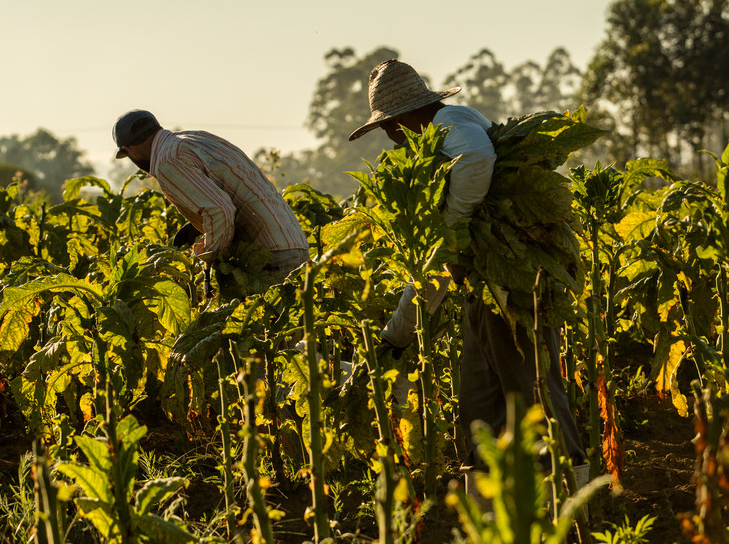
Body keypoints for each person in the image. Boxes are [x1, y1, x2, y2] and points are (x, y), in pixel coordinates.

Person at [348, 59, 586, 468]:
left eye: (388, 126)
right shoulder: (446, 137)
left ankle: (567, 506)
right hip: (483, 284)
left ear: (403, 117)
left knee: (531, 394)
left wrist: (452, 220)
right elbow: (437, 265)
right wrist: (398, 335)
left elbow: (476, 161)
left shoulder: (451, 126)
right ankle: (489, 512)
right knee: (482, 403)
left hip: (508, 283)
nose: (390, 138)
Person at [112, 109, 309, 282]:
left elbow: (219, 210)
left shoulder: (167, 160)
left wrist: (210, 262)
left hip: (267, 256)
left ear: (128, 150)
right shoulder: (196, 138)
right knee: (302, 324)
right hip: (294, 244)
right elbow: (231, 187)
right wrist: (197, 226)